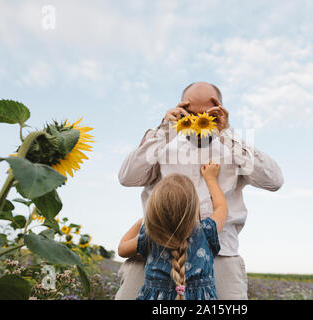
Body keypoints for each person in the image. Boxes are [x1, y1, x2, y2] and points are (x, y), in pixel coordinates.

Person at [115, 81, 284, 300]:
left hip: (219, 252)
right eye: (190, 113)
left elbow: (274, 181)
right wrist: (165, 129)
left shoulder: (233, 148)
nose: (197, 121)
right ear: (180, 110)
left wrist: (227, 135)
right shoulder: (164, 144)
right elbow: (127, 177)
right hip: (155, 249)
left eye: (208, 115)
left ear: (220, 112)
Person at [117, 162, 227, 300]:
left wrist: (144, 221)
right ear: (196, 211)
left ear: (154, 213)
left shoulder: (151, 236)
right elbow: (221, 208)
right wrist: (211, 179)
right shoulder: (206, 231)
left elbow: (122, 249)